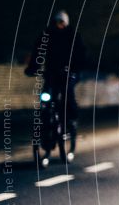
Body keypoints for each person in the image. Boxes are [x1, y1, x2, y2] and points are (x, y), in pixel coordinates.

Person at [25, 10, 87, 161]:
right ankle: (46, 125)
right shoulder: (47, 35)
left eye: (62, 22)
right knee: (45, 97)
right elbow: (37, 51)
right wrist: (32, 67)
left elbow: (81, 54)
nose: (59, 25)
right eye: (57, 22)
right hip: (51, 73)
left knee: (67, 95)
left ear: (66, 23)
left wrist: (74, 69)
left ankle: (71, 119)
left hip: (68, 74)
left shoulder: (73, 35)